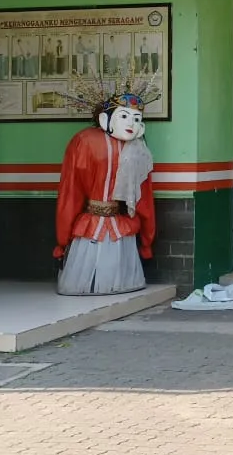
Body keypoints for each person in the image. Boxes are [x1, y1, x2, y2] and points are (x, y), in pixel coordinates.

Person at [54, 77, 158, 295]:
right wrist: (147, 241)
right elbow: (71, 192)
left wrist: (62, 240)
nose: (131, 124)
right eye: (124, 116)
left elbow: (142, 197)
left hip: (115, 222)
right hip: (100, 223)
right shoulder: (86, 141)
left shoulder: (136, 147)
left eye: (137, 119)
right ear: (104, 119)